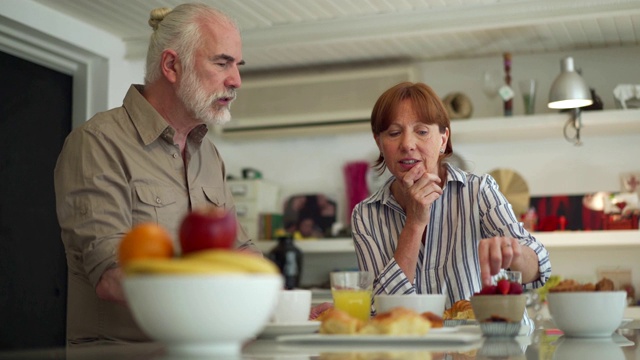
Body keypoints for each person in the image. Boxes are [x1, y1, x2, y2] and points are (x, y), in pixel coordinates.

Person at [54, 3, 257, 345]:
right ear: (171, 65)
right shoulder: (97, 143)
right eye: (222, 62)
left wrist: (287, 303)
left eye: (237, 65)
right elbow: (113, 277)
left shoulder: (209, 154)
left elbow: (238, 248)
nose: (236, 79)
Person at [351, 82, 551, 319]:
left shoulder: (478, 191)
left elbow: (540, 270)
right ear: (379, 143)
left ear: (443, 139)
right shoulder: (365, 215)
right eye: (394, 133)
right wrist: (414, 223)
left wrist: (514, 254)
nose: (407, 144)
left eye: (422, 131)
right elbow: (380, 310)